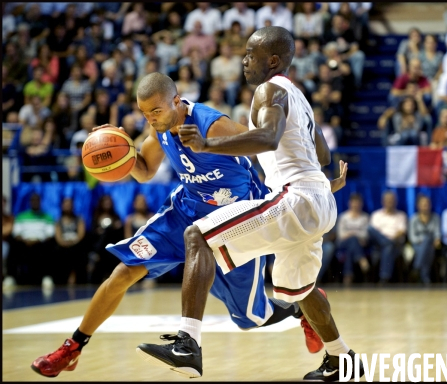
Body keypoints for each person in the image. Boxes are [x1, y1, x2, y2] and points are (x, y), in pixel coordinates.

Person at [31, 71, 349, 378]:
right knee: (124, 272)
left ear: (177, 101)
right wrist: (119, 146)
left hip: (235, 214)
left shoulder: (210, 123)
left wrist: (315, 184)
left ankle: (301, 310)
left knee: (252, 318)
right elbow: (144, 172)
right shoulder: (157, 129)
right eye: (144, 113)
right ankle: (72, 348)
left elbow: (263, 144)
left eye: (156, 110)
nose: (151, 118)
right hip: (186, 209)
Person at [136, 27, 364, 381]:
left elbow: (269, 139)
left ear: (272, 61)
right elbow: (322, 152)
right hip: (315, 197)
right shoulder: (298, 97)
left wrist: (208, 146)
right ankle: (342, 359)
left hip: (296, 197)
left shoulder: (268, 89)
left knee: (198, 236)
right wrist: (321, 187)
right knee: (300, 290)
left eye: (250, 54)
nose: (244, 61)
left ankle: (187, 345)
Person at [368, 190, 408, 285]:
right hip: (378, 244)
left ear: (395, 202)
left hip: (395, 243)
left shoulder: (401, 215)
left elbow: (402, 232)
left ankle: (384, 278)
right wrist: (385, 239)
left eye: (392, 200)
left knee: (389, 246)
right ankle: (384, 277)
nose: (390, 202)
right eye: (388, 200)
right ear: (383, 202)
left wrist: (391, 239)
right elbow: (373, 233)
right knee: (369, 228)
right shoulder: (376, 215)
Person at [336, 193, 370, 285]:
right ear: (349, 203)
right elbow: (341, 234)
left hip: (359, 243)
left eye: (357, 203)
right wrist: (354, 235)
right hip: (343, 243)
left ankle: (348, 276)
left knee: (350, 249)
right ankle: (361, 258)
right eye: (353, 202)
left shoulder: (365, 217)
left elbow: (365, 234)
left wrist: (352, 234)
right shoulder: (343, 217)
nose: (355, 205)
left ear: (361, 204)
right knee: (353, 240)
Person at [408, 194, 441, 284]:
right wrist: (422, 240)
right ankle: (425, 278)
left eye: (427, 204)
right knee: (426, 244)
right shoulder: (414, 219)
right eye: (423, 204)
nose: (425, 206)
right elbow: (412, 237)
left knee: (428, 246)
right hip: (417, 245)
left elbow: (437, 233)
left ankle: (417, 269)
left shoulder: (435, 218)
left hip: (432, 244)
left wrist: (437, 239)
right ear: (418, 206)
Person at [54, 197, 87, 285]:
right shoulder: (58, 221)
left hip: (76, 244)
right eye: (65, 204)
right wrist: (64, 243)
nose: (67, 206)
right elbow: (58, 237)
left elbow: (81, 234)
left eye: (69, 204)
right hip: (63, 245)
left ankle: (75, 276)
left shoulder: (79, 219)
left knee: (78, 250)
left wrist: (73, 242)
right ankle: (62, 278)